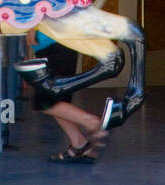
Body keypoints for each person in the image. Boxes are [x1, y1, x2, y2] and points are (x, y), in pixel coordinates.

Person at [29, 30, 111, 163]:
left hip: (56, 41)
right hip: (55, 42)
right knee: (58, 100)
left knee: (43, 101)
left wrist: (32, 28)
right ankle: (80, 145)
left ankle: (91, 122)